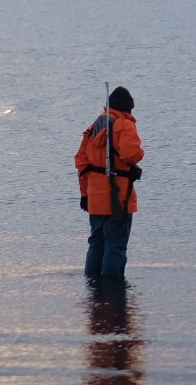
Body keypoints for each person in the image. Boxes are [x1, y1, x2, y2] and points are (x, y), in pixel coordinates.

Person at [75, 85, 143, 280]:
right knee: (116, 246)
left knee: (96, 242)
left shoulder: (94, 126)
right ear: (128, 108)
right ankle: (113, 292)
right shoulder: (124, 124)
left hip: (95, 200)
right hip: (118, 199)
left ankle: (93, 288)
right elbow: (132, 155)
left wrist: (85, 195)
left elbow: (82, 163)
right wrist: (141, 153)